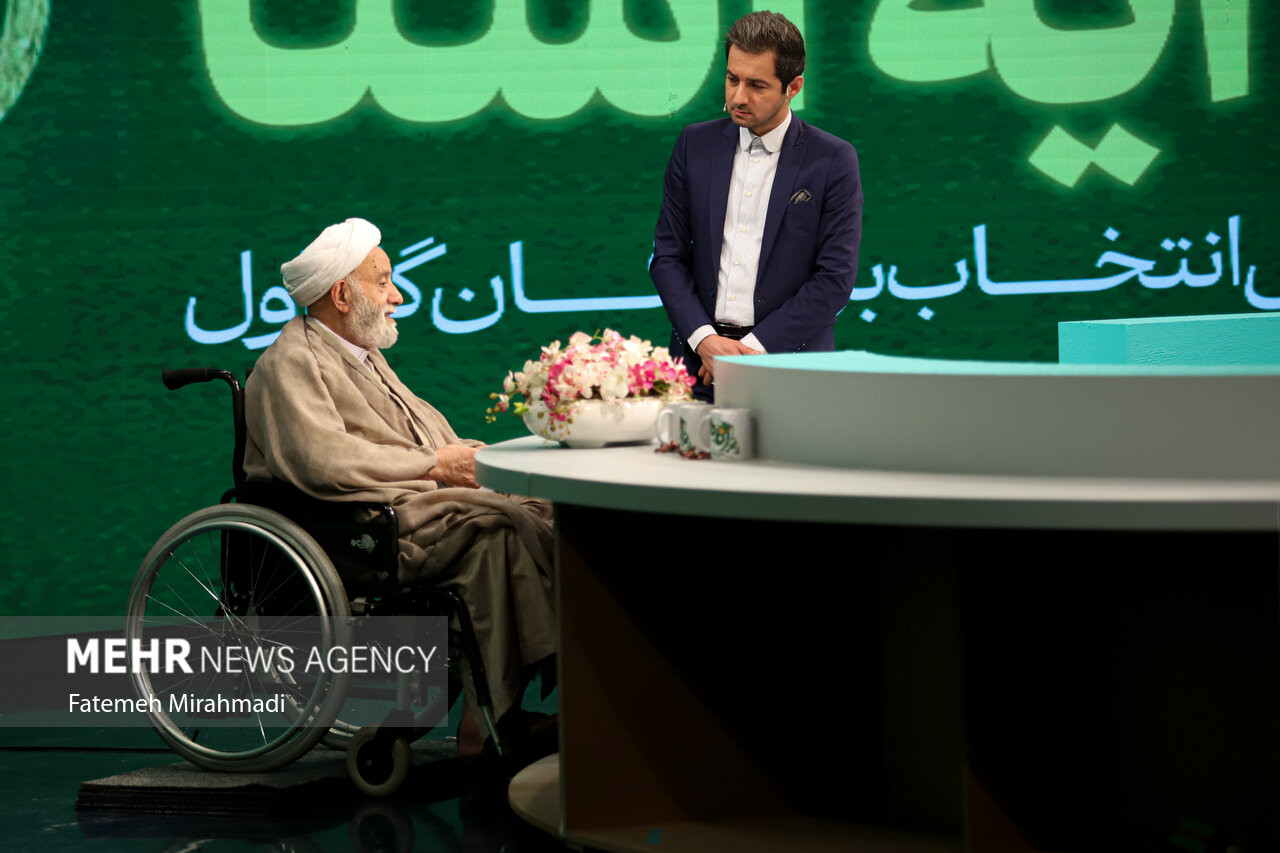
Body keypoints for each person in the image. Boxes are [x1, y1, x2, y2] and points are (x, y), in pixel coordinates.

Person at [242, 217, 555, 762]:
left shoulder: (364, 358)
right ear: (342, 294)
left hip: (412, 507)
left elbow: (427, 439)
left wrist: (482, 458)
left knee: (543, 509)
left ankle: (502, 706)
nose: (398, 295)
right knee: (495, 533)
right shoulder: (290, 362)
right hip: (362, 528)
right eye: (383, 281)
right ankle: (489, 724)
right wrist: (438, 465)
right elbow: (321, 460)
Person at [650, 11, 862, 400]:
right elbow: (667, 259)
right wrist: (705, 341)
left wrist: (750, 352)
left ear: (793, 86)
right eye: (732, 79)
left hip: (793, 370)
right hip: (697, 369)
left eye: (757, 85)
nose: (738, 97)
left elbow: (834, 279)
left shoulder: (832, 160)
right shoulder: (693, 146)